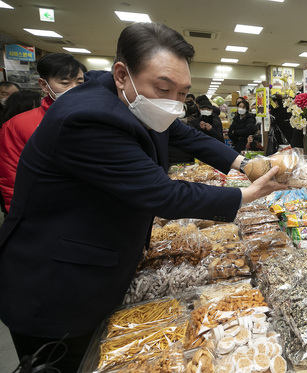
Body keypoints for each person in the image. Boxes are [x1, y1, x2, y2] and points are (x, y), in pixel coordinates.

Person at [0, 22, 285, 372]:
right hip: (57, 285)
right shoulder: (88, 116)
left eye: (182, 93)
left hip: (98, 263)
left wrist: (246, 163)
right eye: (164, 88)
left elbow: (186, 135)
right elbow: (161, 193)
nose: (174, 103)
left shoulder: (132, 99)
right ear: (122, 74)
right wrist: (246, 194)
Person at [0, 53, 86, 213]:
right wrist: (18, 216)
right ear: (44, 85)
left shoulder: (97, 118)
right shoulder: (18, 124)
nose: (74, 89)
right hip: (41, 210)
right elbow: (11, 176)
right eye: (65, 83)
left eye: (80, 82)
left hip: (86, 210)